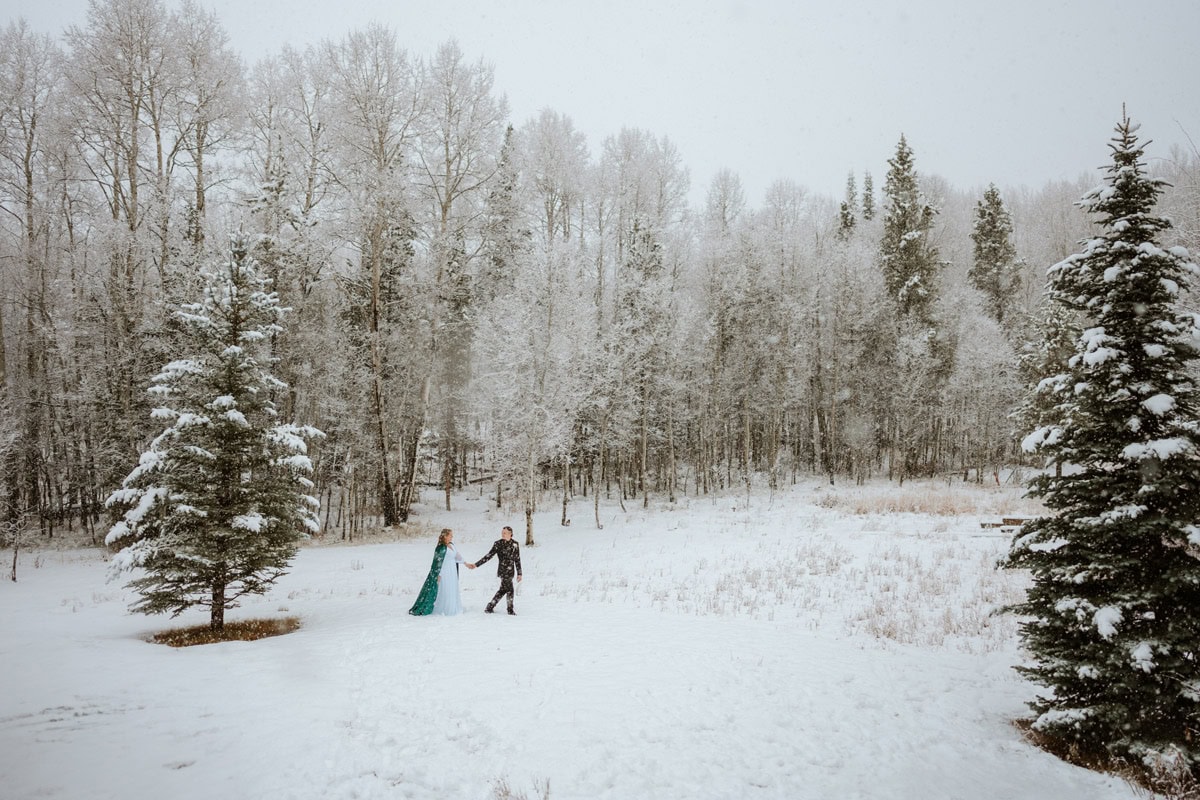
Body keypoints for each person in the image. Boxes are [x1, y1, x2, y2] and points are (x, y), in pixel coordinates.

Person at [409, 528, 467, 616]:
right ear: (445, 536)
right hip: (444, 571)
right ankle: (444, 609)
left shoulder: (451, 545)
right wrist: (438, 574)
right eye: (450, 535)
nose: (452, 537)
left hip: (452, 571)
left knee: (452, 588)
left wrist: (466, 563)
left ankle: (453, 607)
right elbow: (437, 562)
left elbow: (456, 555)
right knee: (446, 589)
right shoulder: (441, 548)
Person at [470, 525, 523, 615]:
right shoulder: (498, 544)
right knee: (510, 589)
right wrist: (476, 564)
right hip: (503, 571)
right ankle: (510, 609)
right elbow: (489, 555)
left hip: (511, 571)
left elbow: (517, 559)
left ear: (510, 534)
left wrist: (519, 573)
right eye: (502, 533)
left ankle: (490, 606)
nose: (503, 534)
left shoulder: (515, 544)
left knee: (503, 590)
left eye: (505, 533)